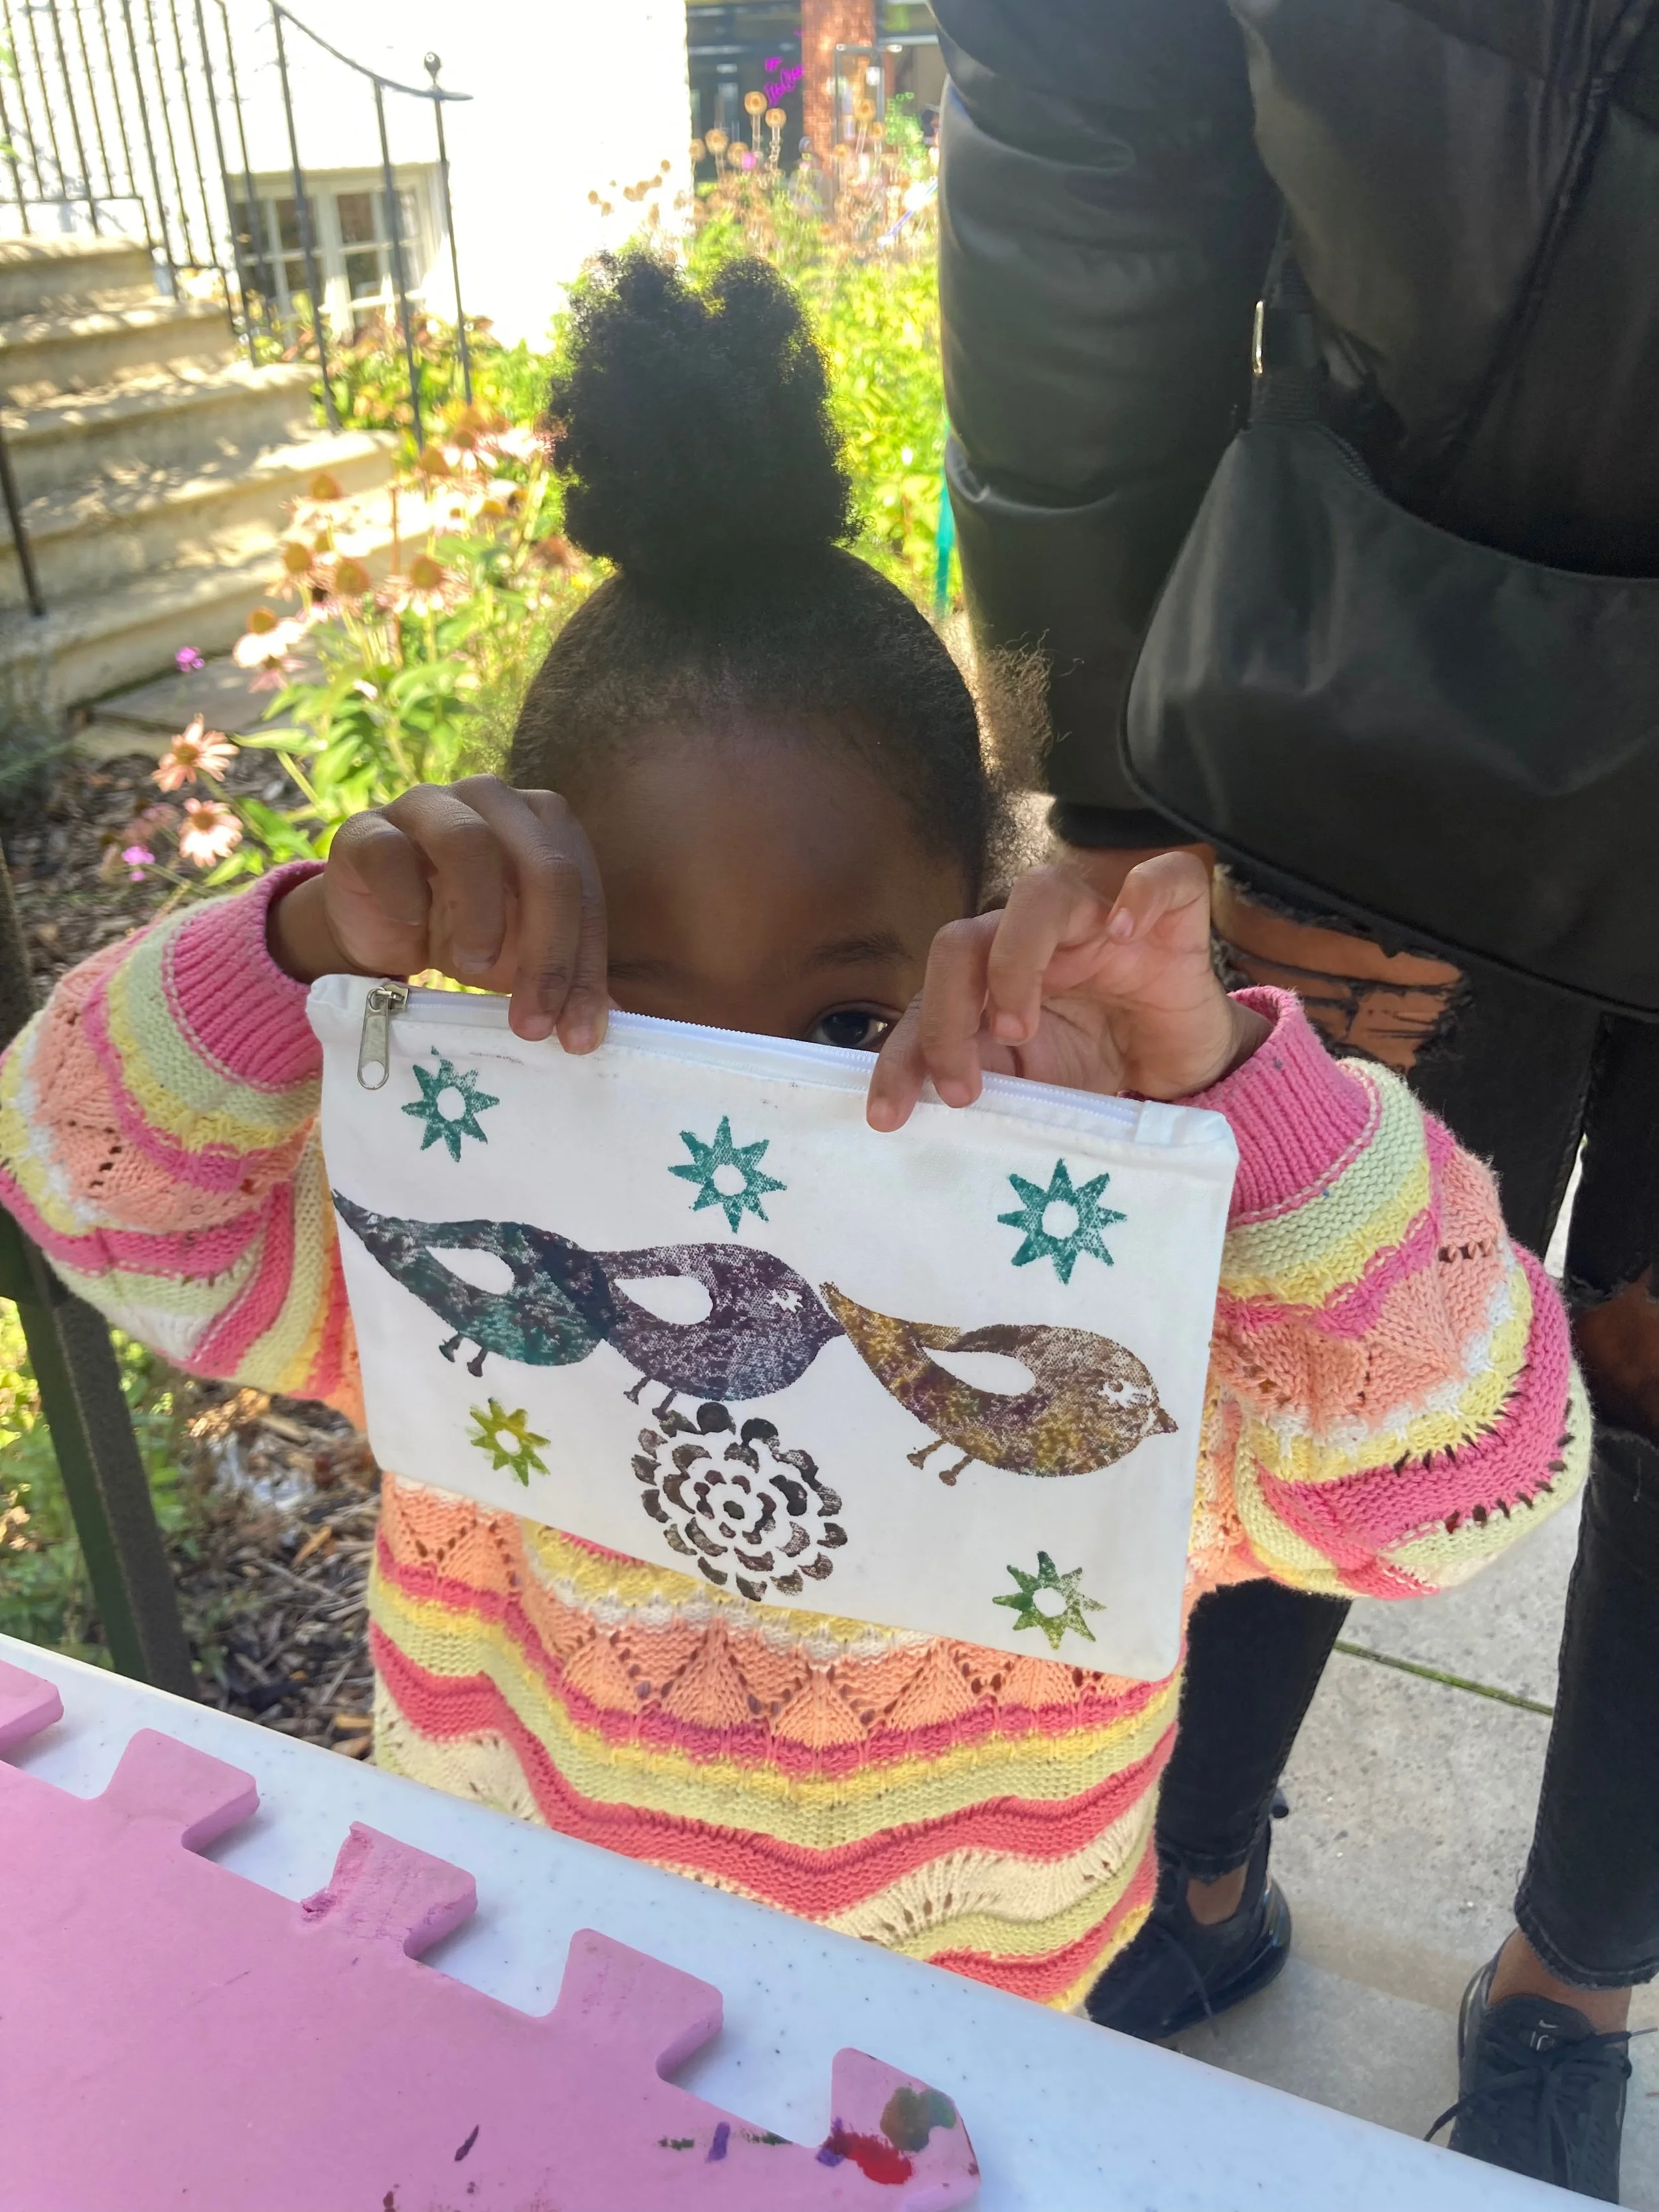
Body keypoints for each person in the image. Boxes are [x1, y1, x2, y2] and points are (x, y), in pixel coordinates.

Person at [0, 250, 1585, 2022]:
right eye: (643, 1024)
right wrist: (297, 941)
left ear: (973, 943)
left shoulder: (1073, 1310)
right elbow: (86, 1181)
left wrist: (1237, 1098)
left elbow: (1459, 1480)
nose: (734, 1153)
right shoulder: (457, 1226)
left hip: (945, 2067)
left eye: (844, 1025)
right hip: (501, 1990)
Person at [933, 0, 1659, 2193]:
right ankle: (1192, 1870)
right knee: (1273, 1319)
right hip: (1382, 681)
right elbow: (1085, 121)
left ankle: (1576, 1981)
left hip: (1375, 679)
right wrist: (1109, 767)